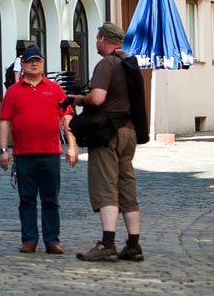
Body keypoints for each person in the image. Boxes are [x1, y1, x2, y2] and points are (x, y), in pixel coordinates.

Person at [70, 22, 144, 262]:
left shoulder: (106, 64)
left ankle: (107, 243)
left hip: (107, 133)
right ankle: (133, 244)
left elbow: (98, 97)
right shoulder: (129, 63)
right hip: (129, 131)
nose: (96, 43)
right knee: (126, 185)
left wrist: (80, 99)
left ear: (102, 39)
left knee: (106, 186)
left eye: (97, 38)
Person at [0, 47, 78, 255]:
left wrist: (72, 145)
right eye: (30, 61)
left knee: (51, 200)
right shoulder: (14, 91)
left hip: (50, 153)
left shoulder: (55, 89)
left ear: (43, 64)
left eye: (38, 61)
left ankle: (52, 240)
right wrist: (4, 149)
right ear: (22, 65)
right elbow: (5, 121)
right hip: (23, 155)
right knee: (27, 200)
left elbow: (67, 118)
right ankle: (29, 240)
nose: (34, 64)